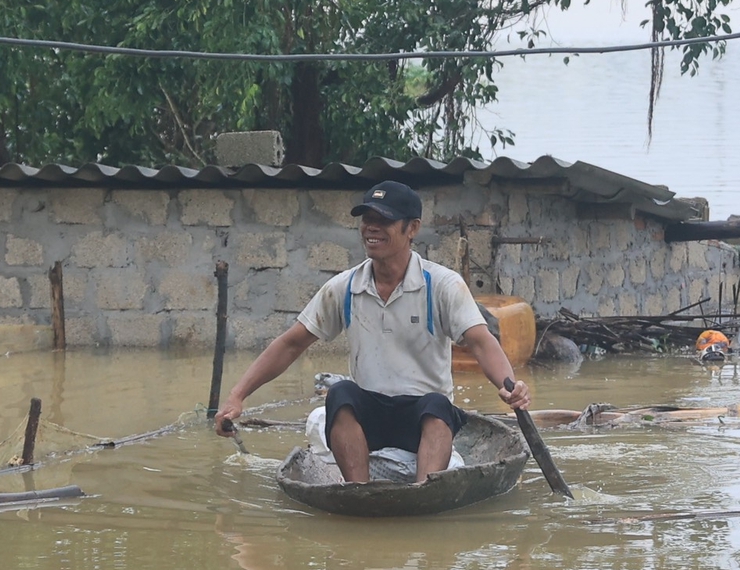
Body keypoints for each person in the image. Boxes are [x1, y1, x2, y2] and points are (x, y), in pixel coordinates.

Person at [214, 181, 532, 483]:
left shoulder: (441, 285)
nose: (371, 228)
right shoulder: (345, 287)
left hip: (422, 419)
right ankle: (359, 491)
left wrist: (510, 387)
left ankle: (426, 490)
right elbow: (290, 344)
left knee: (438, 405)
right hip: (370, 418)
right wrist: (237, 396)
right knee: (340, 394)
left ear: (413, 229)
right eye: (367, 220)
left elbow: (480, 341)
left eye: (384, 220)